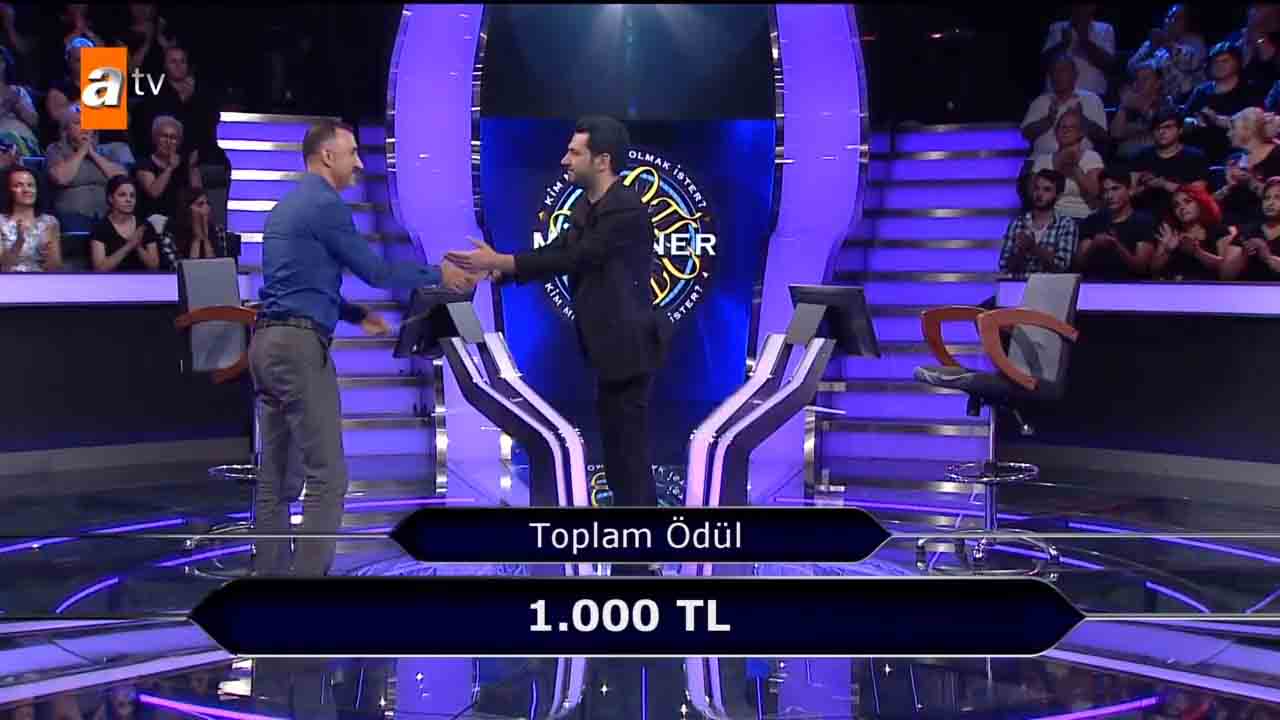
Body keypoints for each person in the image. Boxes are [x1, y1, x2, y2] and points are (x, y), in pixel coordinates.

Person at [249, 119, 479, 577]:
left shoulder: (286, 207)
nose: (358, 162)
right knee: (328, 477)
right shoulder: (325, 205)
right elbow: (376, 271)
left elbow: (301, 285)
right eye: (352, 152)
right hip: (298, 350)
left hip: (267, 345)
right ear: (326, 156)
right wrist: (440, 274)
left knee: (276, 480)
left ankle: (268, 580)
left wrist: (355, 316)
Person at [446, 116, 671, 574]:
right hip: (606, 349)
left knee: (629, 453)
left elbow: (578, 257)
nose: (565, 159)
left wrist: (504, 261)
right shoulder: (587, 208)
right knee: (619, 453)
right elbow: (556, 253)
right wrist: (498, 270)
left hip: (629, 348)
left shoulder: (625, 210)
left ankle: (644, 555)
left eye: (574, 152)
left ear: (602, 160)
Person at [46, 105, 132, 235]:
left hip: (107, 216)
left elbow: (122, 180)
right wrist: (82, 151)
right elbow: (61, 178)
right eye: (77, 123)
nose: (85, 128)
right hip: (72, 216)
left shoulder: (106, 152)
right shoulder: (56, 150)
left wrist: (92, 153)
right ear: (65, 130)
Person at [1182, 42, 1263, 163]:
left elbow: (1255, 125)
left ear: (1238, 63)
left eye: (1225, 61)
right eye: (1215, 62)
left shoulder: (1250, 91)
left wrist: (1216, 120)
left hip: (1234, 156)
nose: (1219, 65)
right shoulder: (1201, 91)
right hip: (1200, 154)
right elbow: (1183, 119)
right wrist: (1192, 122)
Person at [1074, 168, 1157, 279]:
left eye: (1115, 189)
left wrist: (1117, 246)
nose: (1109, 196)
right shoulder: (1093, 221)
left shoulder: (1143, 221)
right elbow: (1079, 264)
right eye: (1105, 191)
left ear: (1129, 190)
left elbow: (1141, 268)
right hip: (1095, 283)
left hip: (1128, 284)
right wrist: (1094, 245)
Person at [1130, 106, 1210, 221]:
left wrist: (1164, 184)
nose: (1161, 132)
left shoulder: (1195, 157)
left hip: (1183, 215)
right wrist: (1145, 187)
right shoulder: (1141, 156)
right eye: (1157, 128)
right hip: (1146, 215)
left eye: (1167, 127)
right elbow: (1130, 192)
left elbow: (1198, 194)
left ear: (1180, 130)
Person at [1021, 52, 1109, 157]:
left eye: (1062, 71)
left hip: (1080, 160)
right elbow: (1026, 134)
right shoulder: (1040, 101)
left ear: (1075, 75)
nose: (1057, 76)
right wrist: (1048, 120)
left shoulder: (1092, 99)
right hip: (1043, 159)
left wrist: (1082, 119)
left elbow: (1102, 137)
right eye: (1053, 72)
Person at [998, 168, 1078, 277]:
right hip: (1019, 284)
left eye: (1047, 190)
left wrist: (1033, 248)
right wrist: (1020, 252)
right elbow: (1004, 266)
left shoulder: (1066, 225)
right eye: (1036, 188)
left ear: (1058, 195)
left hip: (1049, 285)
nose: (1039, 194)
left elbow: (1062, 266)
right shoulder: (1017, 223)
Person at [1150, 184, 1236, 280]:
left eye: (1187, 201)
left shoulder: (1219, 230)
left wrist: (1197, 252)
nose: (1182, 207)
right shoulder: (1171, 233)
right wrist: (1168, 251)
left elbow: (1226, 268)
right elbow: (1153, 270)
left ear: (1200, 203)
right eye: (1176, 205)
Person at [1029, 109, 1103, 220]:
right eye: (1062, 127)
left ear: (1081, 133)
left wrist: (1075, 169)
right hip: (1052, 218)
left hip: (1083, 217)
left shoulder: (1091, 157)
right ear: (1056, 132)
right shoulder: (1042, 160)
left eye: (1071, 127)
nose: (1066, 131)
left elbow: (1096, 192)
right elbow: (1031, 193)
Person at [1127, 4, 1206, 103]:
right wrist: (1150, 49)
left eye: (1178, 19)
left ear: (1187, 23)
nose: (1172, 21)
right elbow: (1130, 68)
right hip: (1152, 96)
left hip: (1183, 98)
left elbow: (1192, 64)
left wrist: (1167, 44)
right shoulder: (1152, 43)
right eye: (1169, 17)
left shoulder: (1195, 42)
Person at [134, 114, 201, 221]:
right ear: (155, 138)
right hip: (151, 219)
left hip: (179, 221)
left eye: (173, 138)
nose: (168, 141)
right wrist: (169, 168)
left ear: (179, 142)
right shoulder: (143, 164)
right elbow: (154, 193)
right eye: (164, 136)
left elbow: (198, 195)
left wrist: (192, 167)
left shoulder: (185, 165)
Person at [1040, 4, 1116, 97]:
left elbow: (1109, 66)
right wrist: (1062, 45)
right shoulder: (1056, 27)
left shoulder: (1105, 29)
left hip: (1092, 98)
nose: (1079, 8)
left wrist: (1085, 41)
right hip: (1055, 96)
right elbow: (1043, 64)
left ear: (1093, 7)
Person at [89, 175, 159, 272]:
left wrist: (138, 247)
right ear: (110, 198)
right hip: (112, 280)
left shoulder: (145, 226)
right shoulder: (100, 228)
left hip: (141, 279)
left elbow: (154, 267)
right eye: (122, 195)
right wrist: (129, 245)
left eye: (132, 196)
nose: (129, 200)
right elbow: (99, 269)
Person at [0, 166, 60, 272]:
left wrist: (48, 254)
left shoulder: (50, 222)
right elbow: (3, 265)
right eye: (18, 185)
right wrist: (19, 242)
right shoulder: (1, 222)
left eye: (30, 185)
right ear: (7, 190)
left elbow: (55, 268)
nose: (26, 190)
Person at [1110, 61, 1172, 160]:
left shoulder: (1166, 103)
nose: (1139, 83)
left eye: (1145, 79)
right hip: (1125, 161)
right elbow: (1116, 134)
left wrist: (1143, 108)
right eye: (1137, 79)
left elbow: (1163, 129)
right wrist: (1123, 107)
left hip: (1155, 160)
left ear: (1157, 83)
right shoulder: (1129, 104)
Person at [1223, 176, 1280, 280]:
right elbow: (1225, 276)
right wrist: (1244, 253)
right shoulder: (1248, 231)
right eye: (1267, 198)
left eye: (1278, 197)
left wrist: (1267, 257)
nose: (1270, 202)